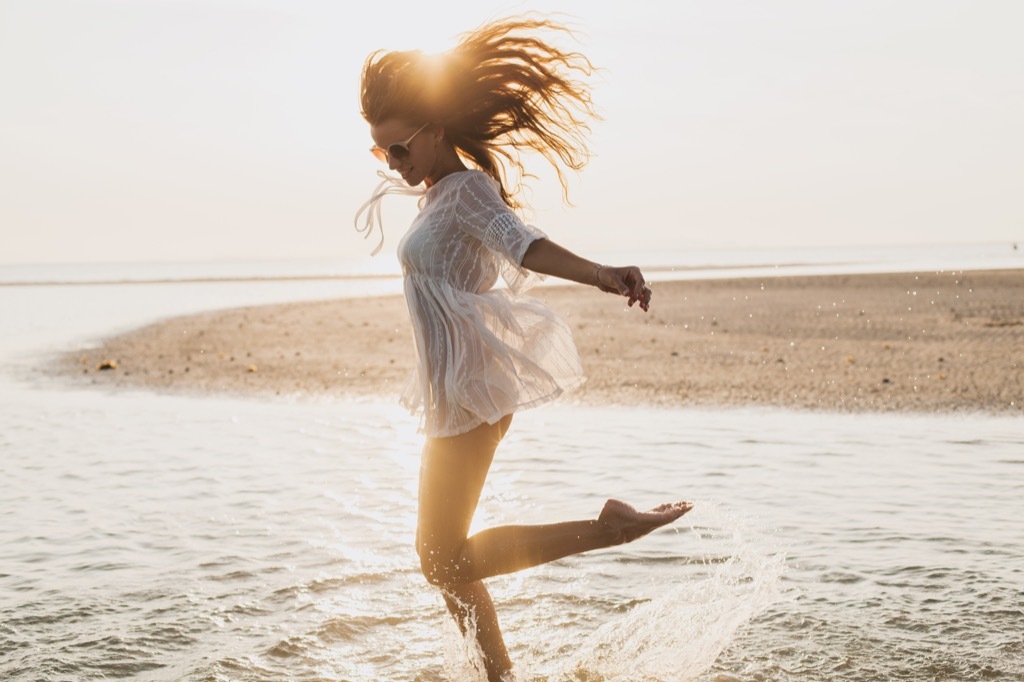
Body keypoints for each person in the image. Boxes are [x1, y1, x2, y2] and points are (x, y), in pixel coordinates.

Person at [357, 16, 692, 682]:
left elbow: (523, 243)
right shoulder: (437, 198)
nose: (393, 165)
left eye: (397, 149)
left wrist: (602, 274)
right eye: (381, 155)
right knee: (447, 561)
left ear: (432, 129)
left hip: (474, 393)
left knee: (440, 561)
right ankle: (499, 676)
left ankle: (610, 529)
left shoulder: (469, 191)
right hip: (449, 396)